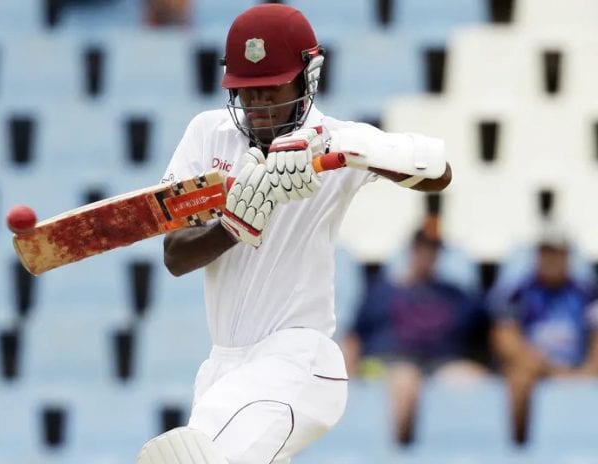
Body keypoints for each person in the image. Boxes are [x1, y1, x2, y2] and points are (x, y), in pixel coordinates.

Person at [137, 4, 452, 463]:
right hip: (222, 372)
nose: (259, 106)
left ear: (308, 77)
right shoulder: (208, 135)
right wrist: (233, 226)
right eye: (248, 92)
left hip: (299, 361)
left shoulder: (335, 141)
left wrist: (345, 148)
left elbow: (439, 172)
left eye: (272, 89)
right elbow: (175, 255)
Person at [341, 228, 488, 446]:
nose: (427, 256)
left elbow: (485, 330)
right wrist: (346, 381)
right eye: (422, 249)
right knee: (406, 378)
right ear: (411, 251)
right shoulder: (383, 291)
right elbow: (354, 337)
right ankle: (399, 454)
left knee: (473, 380)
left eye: (433, 251)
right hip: (387, 363)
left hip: (438, 364)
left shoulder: (455, 295)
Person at [488, 224, 598, 445]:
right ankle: (519, 448)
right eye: (545, 253)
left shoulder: (585, 293)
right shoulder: (519, 292)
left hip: (577, 367)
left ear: (567, 256)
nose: (551, 259)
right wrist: (551, 370)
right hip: (537, 370)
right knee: (519, 377)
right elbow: (505, 338)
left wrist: (588, 370)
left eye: (557, 253)